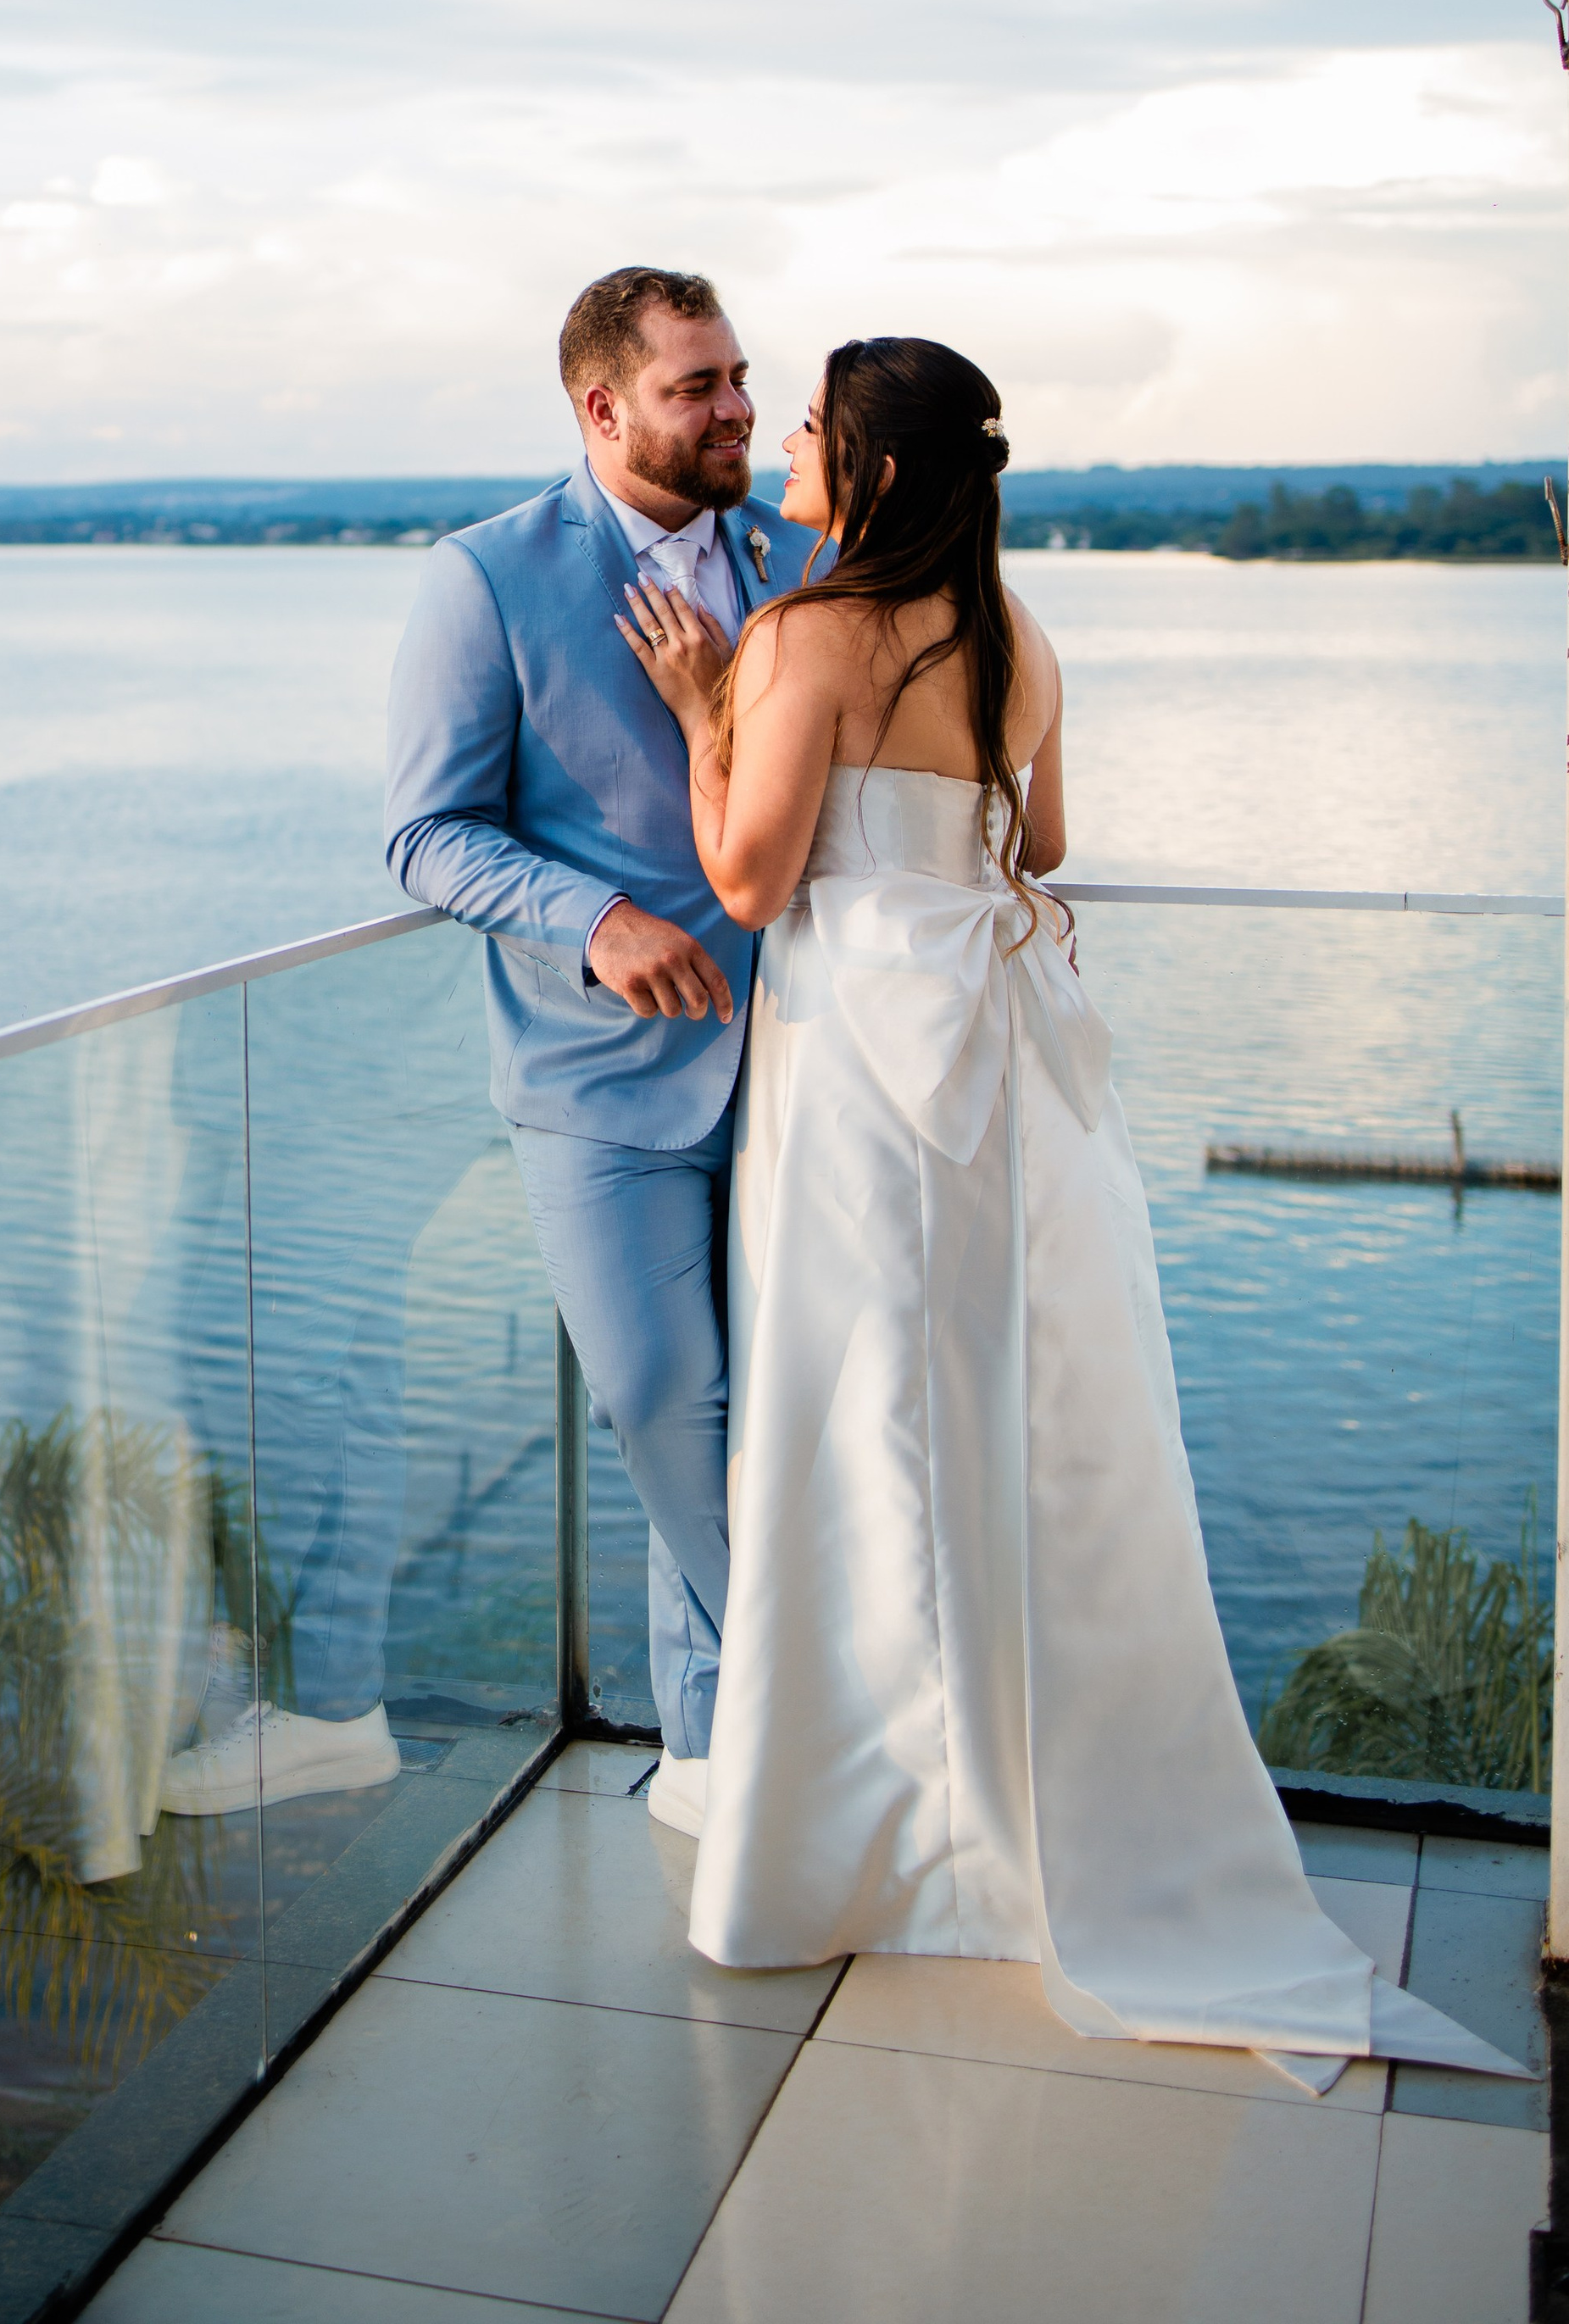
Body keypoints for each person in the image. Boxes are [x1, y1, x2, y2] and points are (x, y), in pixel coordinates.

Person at [619, 332, 1522, 2087]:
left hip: (863, 1064)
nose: (784, 440)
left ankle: (879, 1822)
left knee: (857, 1418)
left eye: (807, 421)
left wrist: (696, 707)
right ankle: (1000, 1806)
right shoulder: (1019, 636)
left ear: (865, 468)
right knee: (999, 1412)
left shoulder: (801, 637)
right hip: (998, 1053)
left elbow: (746, 878)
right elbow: (1032, 847)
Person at [383, 268, 820, 1827]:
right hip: (595, 1081)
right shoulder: (486, 579)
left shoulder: (801, 555)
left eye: (740, 378)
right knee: (656, 1397)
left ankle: (715, 1772)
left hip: (801, 1072)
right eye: (700, 386)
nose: (740, 412)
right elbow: (427, 834)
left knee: (761, 1412)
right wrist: (589, 920)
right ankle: (826, 1704)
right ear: (603, 407)